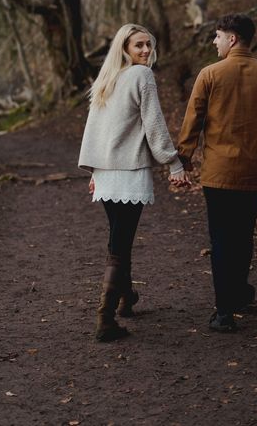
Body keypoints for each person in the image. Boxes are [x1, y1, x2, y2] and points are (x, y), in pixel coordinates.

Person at [176, 13, 257, 332]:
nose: (214, 42)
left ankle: (224, 310)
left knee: (221, 239)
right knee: (243, 235)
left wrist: (183, 159)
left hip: (217, 174)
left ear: (232, 39)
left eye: (217, 36)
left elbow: (193, 122)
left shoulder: (210, 74)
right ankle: (240, 292)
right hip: (254, 173)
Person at [78, 23, 185, 342]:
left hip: (107, 174)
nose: (146, 51)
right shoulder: (142, 76)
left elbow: (94, 129)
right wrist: (173, 162)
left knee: (119, 238)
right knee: (120, 244)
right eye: (139, 45)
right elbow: (154, 124)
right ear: (123, 47)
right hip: (128, 173)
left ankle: (125, 299)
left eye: (149, 45)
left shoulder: (107, 78)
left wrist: (95, 172)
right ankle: (105, 319)